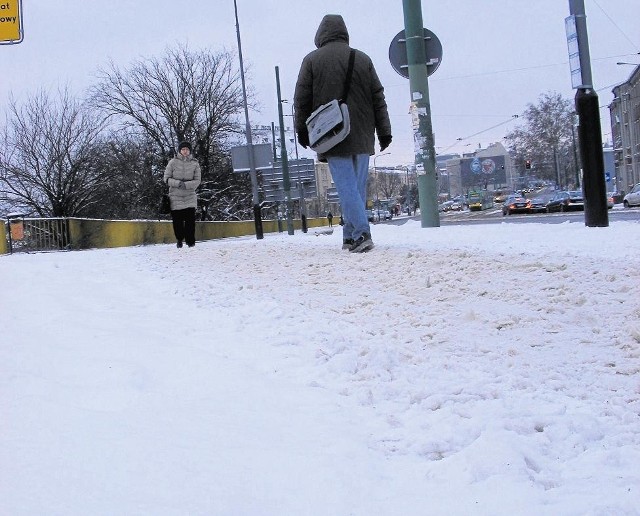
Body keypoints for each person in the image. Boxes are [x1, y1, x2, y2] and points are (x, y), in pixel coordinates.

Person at [294, 14, 391, 253]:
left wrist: (302, 130)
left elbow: (301, 99)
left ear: (320, 35)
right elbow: (378, 96)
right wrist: (384, 131)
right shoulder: (362, 58)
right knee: (356, 188)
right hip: (362, 132)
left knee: (347, 186)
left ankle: (360, 233)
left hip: (332, 133)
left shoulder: (312, 61)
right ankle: (349, 235)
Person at [164, 141, 201, 248]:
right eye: (183, 149)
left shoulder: (195, 163)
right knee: (177, 221)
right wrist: (177, 183)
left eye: (187, 149)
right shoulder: (172, 162)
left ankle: (190, 242)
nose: (185, 151)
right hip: (175, 195)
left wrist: (186, 185)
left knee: (190, 221)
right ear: (180, 151)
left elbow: (197, 180)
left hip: (190, 195)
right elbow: (166, 178)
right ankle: (179, 239)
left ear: (190, 151)